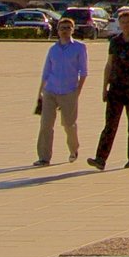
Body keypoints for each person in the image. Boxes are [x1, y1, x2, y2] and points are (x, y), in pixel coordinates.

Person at [87, 9, 129, 170]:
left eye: (128, 22)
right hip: (116, 87)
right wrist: (104, 87)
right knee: (110, 124)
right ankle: (100, 159)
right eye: (122, 22)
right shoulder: (115, 41)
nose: (125, 25)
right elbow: (109, 65)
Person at [34, 16, 86, 166]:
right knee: (46, 125)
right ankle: (44, 157)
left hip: (69, 91)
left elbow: (83, 72)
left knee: (68, 124)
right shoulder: (53, 49)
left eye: (68, 28)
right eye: (62, 28)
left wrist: (78, 91)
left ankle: (73, 149)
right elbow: (46, 72)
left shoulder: (79, 48)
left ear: (73, 30)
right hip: (50, 90)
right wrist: (40, 92)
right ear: (57, 30)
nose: (65, 31)